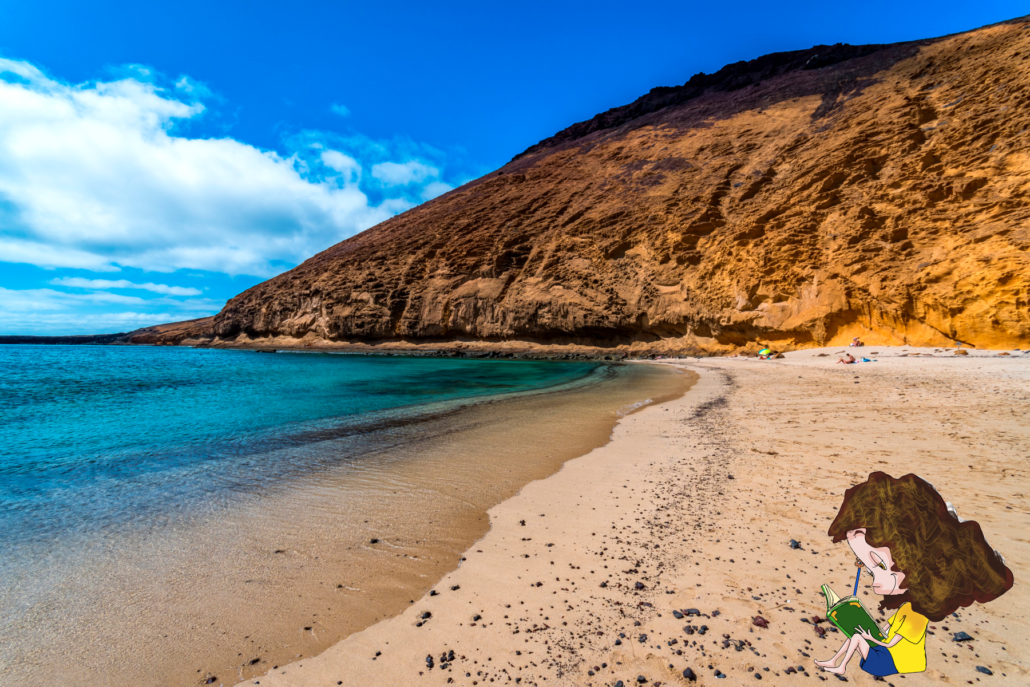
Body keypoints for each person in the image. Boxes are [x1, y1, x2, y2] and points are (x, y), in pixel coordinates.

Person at [814, 473, 1013, 677]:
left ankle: (838, 664)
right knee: (857, 635)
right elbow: (884, 632)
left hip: (896, 661)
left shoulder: (917, 616)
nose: (875, 584)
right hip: (888, 654)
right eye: (868, 568)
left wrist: (869, 637)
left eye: (879, 566)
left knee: (858, 637)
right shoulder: (908, 608)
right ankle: (836, 662)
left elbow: (890, 641)